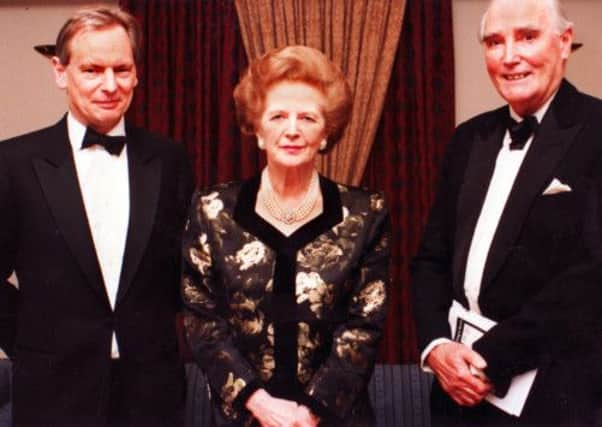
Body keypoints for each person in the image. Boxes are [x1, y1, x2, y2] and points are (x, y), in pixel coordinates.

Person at [0, 6, 194, 427]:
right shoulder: (12, 162)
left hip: (152, 398)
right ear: (60, 71)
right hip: (50, 394)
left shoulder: (170, 159)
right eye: (92, 69)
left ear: (137, 73)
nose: (110, 85)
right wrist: (36, 345)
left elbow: (185, 275)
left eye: (122, 69)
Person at [411, 0, 602, 425]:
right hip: (455, 392)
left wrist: (486, 361)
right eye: (495, 42)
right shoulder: (468, 138)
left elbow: (592, 278)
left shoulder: (597, 130)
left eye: (527, 37)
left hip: (553, 394)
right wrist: (437, 347)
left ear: (564, 42)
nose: (509, 56)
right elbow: (430, 260)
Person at [181, 45, 390, 427]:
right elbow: (202, 319)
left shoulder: (364, 212)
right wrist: (259, 404)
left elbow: (364, 324)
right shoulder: (212, 209)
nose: (292, 129)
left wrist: (310, 414)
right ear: (258, 130)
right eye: (278, 116)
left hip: (333, 419)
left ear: (326, 132)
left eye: (308, 117)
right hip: (245, 418)